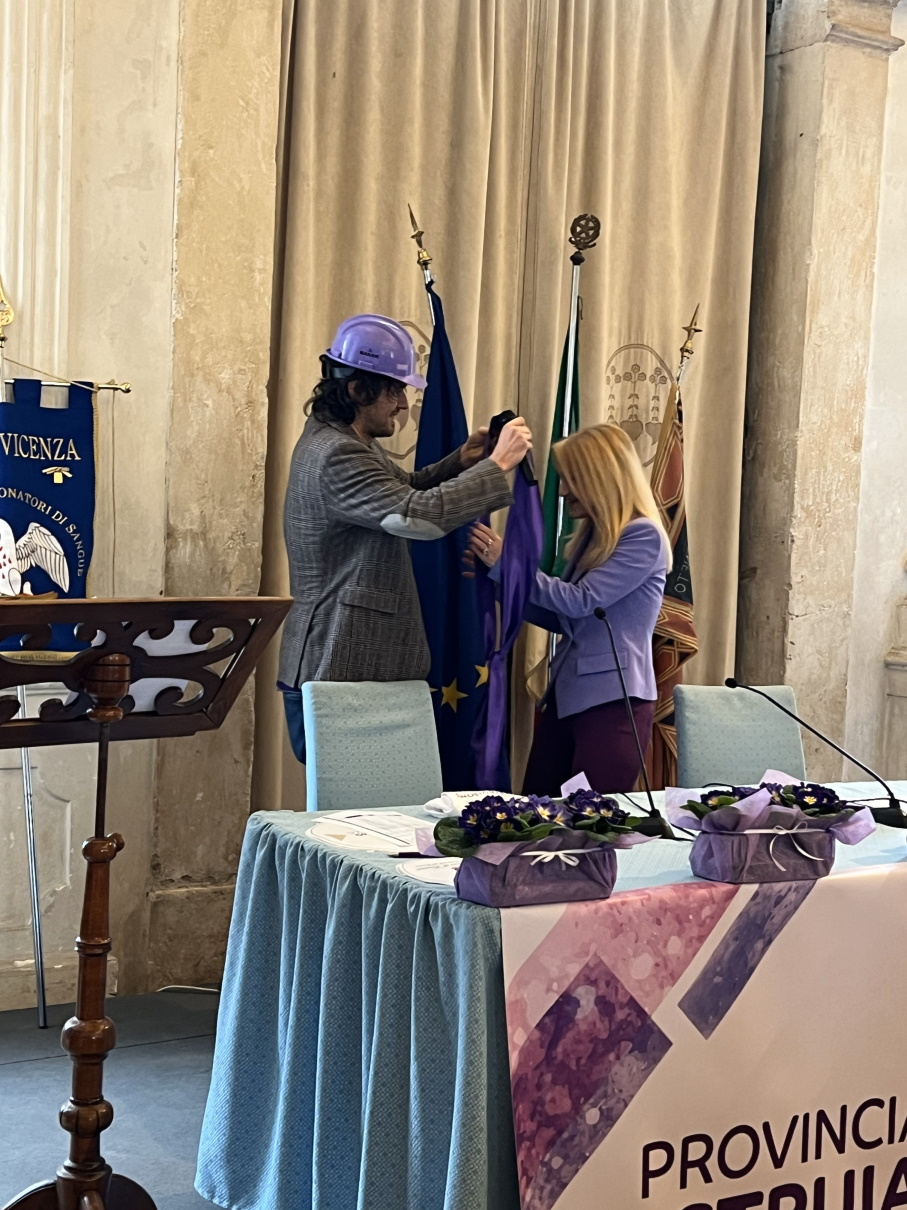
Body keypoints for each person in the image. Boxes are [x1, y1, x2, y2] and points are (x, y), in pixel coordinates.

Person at [278, 312, 532, 763]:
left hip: (351, 666)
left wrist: (462, 460)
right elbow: (416, 518)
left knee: (374, 801)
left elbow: (402, 491)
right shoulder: (337, 453)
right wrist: (498, 466)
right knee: (353, 804)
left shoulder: (346, 439)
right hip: (341, 664)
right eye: (394, 390)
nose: (402, 403)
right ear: (356, 389)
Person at [468, 423, 669, 794]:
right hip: (567, 697)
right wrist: (498, 584)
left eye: (569, 479)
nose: (561, 491)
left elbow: (580, 601)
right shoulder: (594, 537)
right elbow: (563, 619)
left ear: (598, 478)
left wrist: (510, 565)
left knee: (590, 819)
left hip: (614, 704)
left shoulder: (643, 535)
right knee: (537, 812)